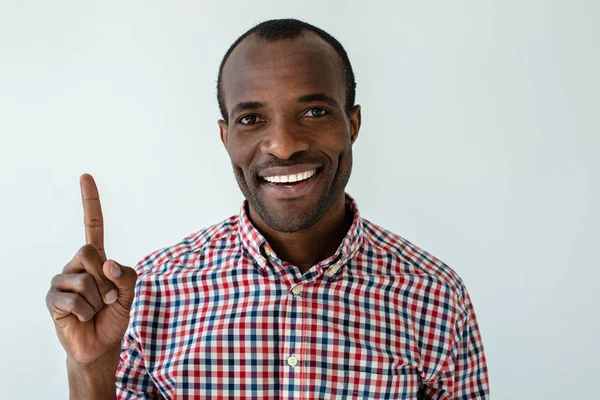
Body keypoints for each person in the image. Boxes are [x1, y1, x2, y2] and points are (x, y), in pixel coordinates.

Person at [46, 19, 489, 399]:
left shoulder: (436, 297)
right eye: (251, 119)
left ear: (352, 124)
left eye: (314, 111)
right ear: (226, 138)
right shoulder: (148, 294)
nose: (284, 144)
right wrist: (91, 369)